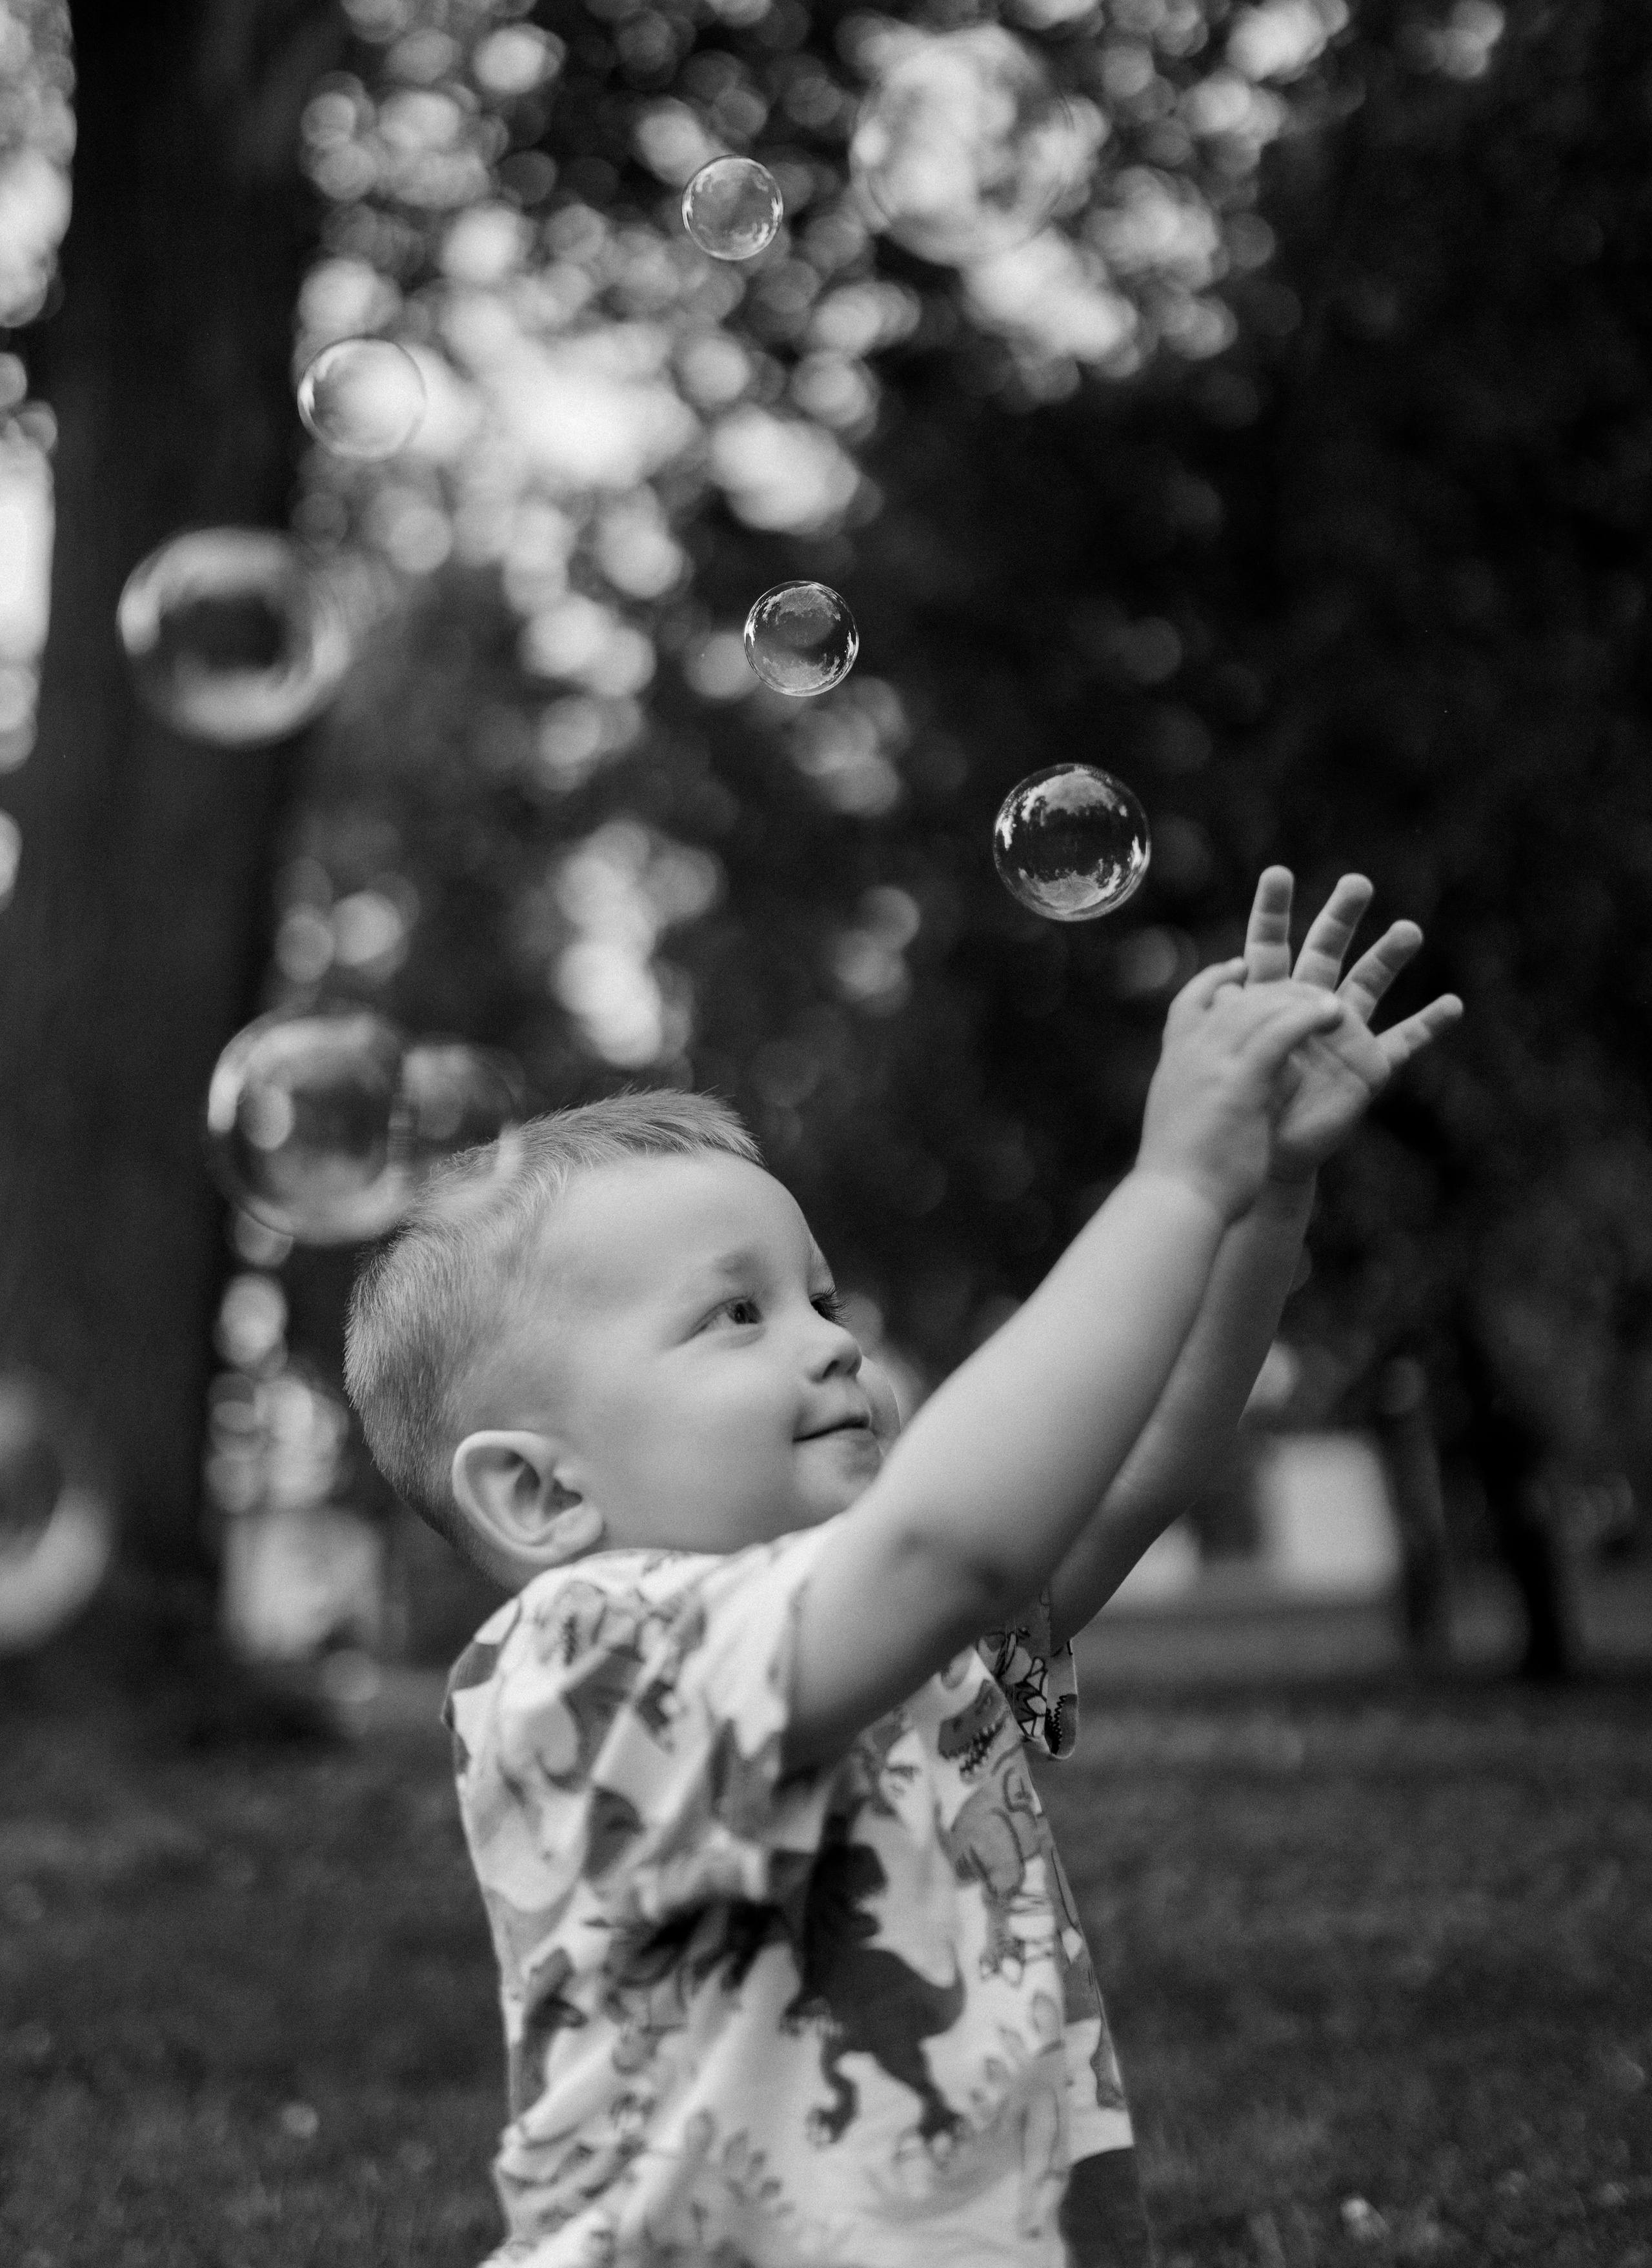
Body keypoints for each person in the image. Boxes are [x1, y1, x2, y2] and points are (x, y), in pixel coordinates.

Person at [343, 868, 1460, 2268]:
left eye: (818, 1297)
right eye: (733, 1315)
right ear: (540, 1490)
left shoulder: (908, 1631)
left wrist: (1260, 1208)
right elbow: (947, 1542)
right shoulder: (581, 1659)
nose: (829, 1341)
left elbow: (1134, 1466)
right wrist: (1173, 1181)